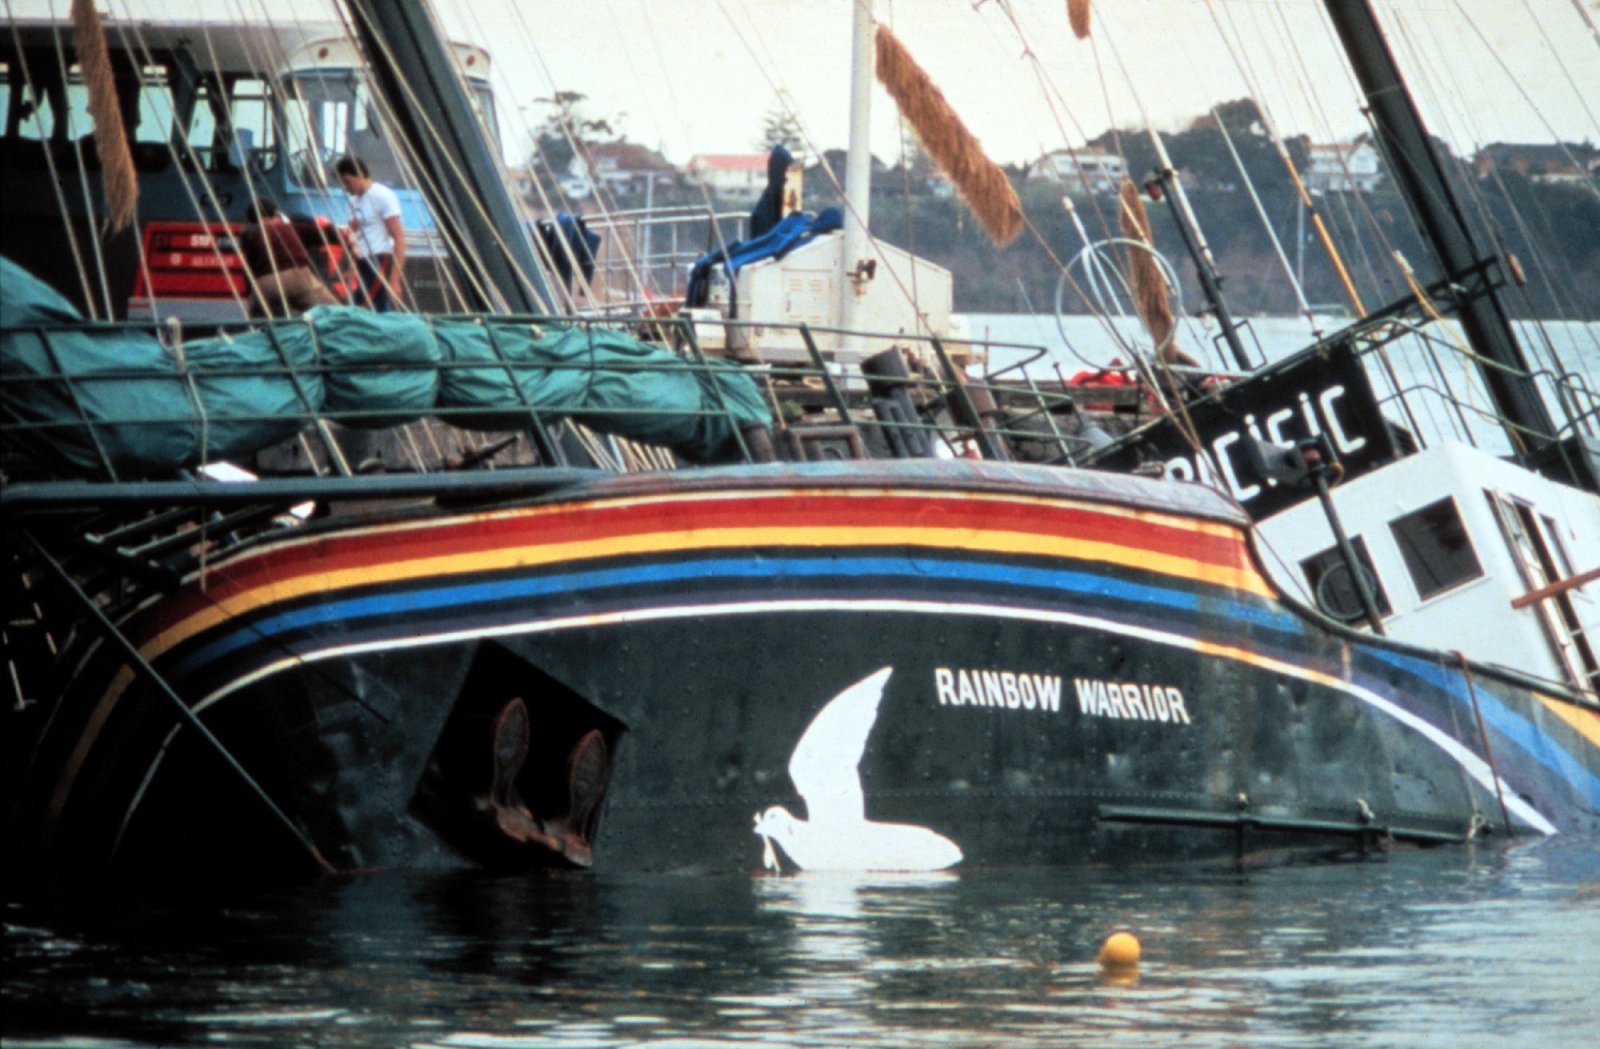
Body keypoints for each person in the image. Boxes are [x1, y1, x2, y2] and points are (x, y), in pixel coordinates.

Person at [239, 199, 338, 318]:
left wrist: (253, 296)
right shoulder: (289, 228)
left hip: (265, 285)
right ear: (276, 214)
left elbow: (248, 271)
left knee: (260, 325)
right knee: (333, 314)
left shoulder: (249, 236)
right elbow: (327, 234)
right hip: (298, 278)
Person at [334, 153, 406, 311]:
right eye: (343, 184)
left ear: (359, 174)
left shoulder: (382, 195)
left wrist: (395, 279)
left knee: (361, 305)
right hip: (362, 260)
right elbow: (352, 233)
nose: (346, 188)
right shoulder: (352, 202)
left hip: (379, 258)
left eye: (348, 182)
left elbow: (399, 237)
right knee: (377, 308)